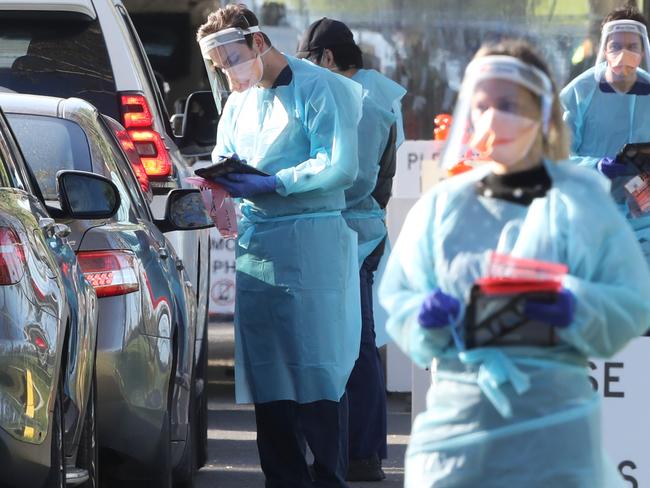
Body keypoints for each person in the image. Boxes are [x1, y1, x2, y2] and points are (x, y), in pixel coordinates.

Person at [380, 39, 650, 487]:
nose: (492, 117)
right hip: (458, 438)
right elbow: (401, 296)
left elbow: (631, 300)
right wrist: (423, 317)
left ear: (543, 111)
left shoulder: (580, 201)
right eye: (482, 104)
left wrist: (576, 307)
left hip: (554, 434)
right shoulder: (444, 206)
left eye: (509, 104)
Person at [196, 5, 363, 487]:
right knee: (269, 375)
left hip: (312, 243)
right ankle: (283, 478)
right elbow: (223, 157)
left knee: (317, 369)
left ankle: (328, 477)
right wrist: (220, 185)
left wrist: (278, 182)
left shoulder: (320, 88)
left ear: (258, 42)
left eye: (231, 57)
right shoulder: (239, 102)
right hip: (258, 248)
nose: (228, 70)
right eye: (219, 64)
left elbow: (339, 165)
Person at [296, 18, 406, 482]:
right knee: (358, 342)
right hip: (366, 228)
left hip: (341, 231)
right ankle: (362, 452)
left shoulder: (350, 98)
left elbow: (346, 177)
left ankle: (356, 453)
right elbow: (382, 177)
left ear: (326, 59)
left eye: (308, 63)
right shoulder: (382, 94)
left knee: (349, 346)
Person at [561, 6, 650, 260]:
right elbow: (554, 153)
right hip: (589, 214)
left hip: (644, 219)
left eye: (632, 46)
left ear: (643, 51)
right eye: (616, 46)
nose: (624, 53)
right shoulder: (580, 93)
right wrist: (595, 166)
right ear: (604, 49)